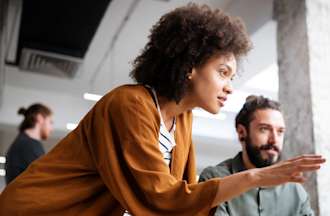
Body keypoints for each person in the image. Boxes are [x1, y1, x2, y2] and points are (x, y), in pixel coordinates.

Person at [0, 4, 325, 216]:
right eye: (223, 72)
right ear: (189, 66)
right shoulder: (130, 105)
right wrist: (253, 177)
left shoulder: (180, 120)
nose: (229, 86)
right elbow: (161, 198)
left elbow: (184, 202)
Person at [199, 95, 315, 216]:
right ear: (241, 133)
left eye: (280, 131)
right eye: (264, 129)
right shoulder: (214, 180)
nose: (274, 140)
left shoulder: (295, 190)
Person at [5, 103, 53, 184]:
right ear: (40, 118)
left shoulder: (26, 143)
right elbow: (45, 180)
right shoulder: (27, 145)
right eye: (50, 122)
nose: (51, 128)